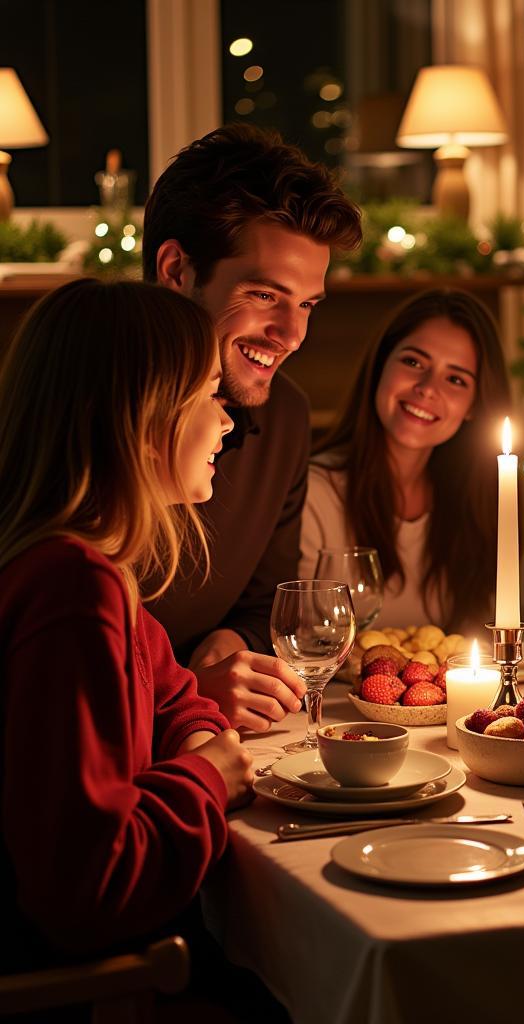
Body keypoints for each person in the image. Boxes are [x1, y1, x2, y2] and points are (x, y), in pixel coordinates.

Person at [0, 279, 252, 972]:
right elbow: (88, 889)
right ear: (143, 422)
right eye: (208, 393)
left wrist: (200, 739)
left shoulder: (94, 570)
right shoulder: (72, 591)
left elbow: (175, 697)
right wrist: (207, 777)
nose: (227, 420)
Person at [143, 123, 363, 732]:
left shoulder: (284, 416)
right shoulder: (76, 413)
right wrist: (184, 697)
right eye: (266, 295)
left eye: (308, 305)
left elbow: (264, 605)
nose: (292, 335)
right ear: (176, 270)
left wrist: (229, 646)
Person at [300, 288, 517, 632]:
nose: (428, 388)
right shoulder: (314, 494)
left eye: (456, 379)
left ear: (475, 405)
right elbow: (300, 639)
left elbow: (483, 637)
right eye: (414, 362)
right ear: (380, 365)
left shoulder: (478, 503)